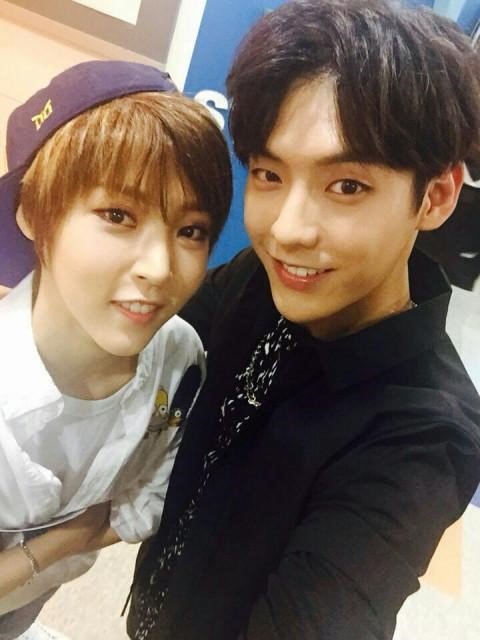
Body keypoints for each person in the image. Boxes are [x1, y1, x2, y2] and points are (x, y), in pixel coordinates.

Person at [125, 1, 480, 639]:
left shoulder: (422, 440)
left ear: (436, 196)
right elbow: (146, 358)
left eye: (347, 186)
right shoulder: (262, 279)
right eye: (269, 173)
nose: (286, 230)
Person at [0, 60, 231, 639]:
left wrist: (62, 552)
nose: (159, 268)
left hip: (33, 597)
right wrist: (62, 541)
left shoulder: (177, 356)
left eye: (191, 230)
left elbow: (151, 486)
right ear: (32, 211)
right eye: (118, 216)